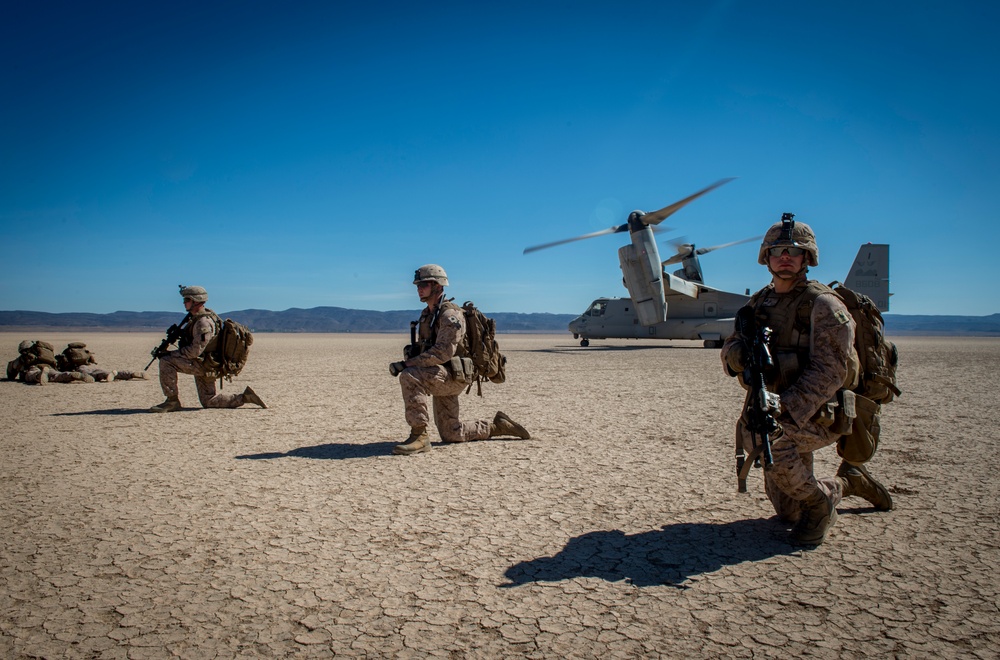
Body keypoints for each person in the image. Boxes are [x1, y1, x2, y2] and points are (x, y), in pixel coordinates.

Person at [721, 215, 892, 546]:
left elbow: (830, 371)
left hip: (823, 411)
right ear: (766, 257)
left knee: (766, 440)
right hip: (779, 406)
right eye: (778, 251)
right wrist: (736, 354)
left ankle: (821, 504)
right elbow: (732, 342)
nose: (785, 257)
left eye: (793, 252)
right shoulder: (760, 302)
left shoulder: (824, 304)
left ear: (807, 258)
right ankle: (848, 482)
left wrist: (785, 410)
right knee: (788, 513)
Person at [388, 264, 529, 455]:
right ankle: (498, 426)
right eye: (418, 285)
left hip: (453, 376)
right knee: (451, 433)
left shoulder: (449, 315)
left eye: (424, 284)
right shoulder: (427, 315)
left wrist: (407, 364)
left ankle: (419, 436)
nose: (419, 289)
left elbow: (443, 352)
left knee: (410, 376)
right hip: (441, 373)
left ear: (438, 286)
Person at [150, 285, 266, 413]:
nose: (184, 303)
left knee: (166, 361)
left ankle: (172, 401)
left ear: (195, 301)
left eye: (187, 300)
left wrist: (172, 354)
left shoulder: (203, 323)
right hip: (208, 363)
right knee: (209, 401)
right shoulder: (200, 318)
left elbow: (194, 351)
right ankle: (244, 397)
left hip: (203, 364)